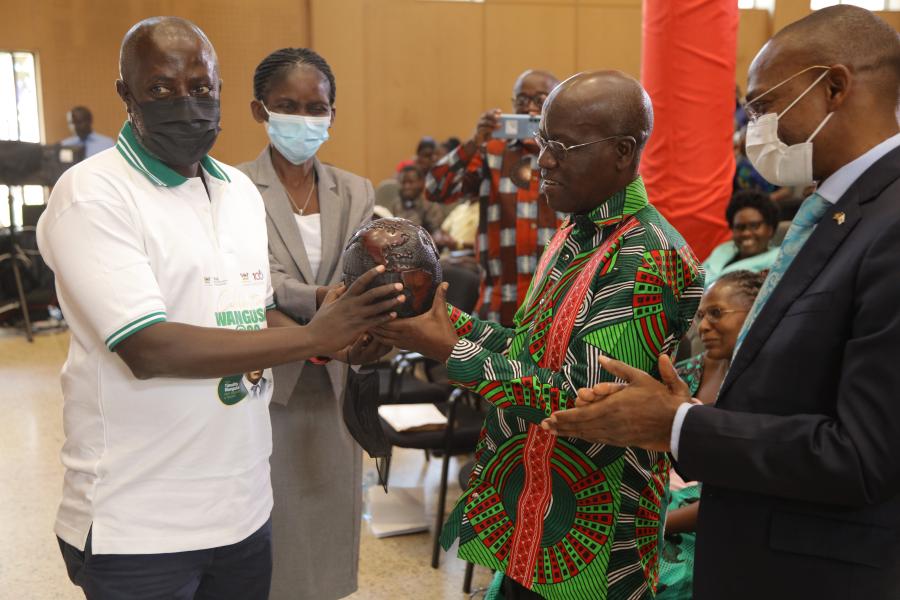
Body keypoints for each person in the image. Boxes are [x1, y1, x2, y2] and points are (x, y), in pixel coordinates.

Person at [543, 7, 900, 599]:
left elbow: (862, 454)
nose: (748, 130)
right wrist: (689, 409)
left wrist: (682, 426)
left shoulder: (890, 224)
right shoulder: (837, 209)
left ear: (834, 87)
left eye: (762, 106)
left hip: (818, 573)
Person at [37, 18, 400, 600]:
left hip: (242, 512)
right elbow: (148, 347)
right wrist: (314, 337)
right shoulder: (91, 194)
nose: (186, 103)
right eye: (161, 89)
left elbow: (253, 314)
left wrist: (342, 339)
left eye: (202, 88)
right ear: (125, 94)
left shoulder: (234, 191)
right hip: (140, 523)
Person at [373, 71, 704, 599]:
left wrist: (447, 349)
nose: (543, 160)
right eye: (543, 143)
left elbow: (580, 402)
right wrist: (435, 319)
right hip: (536, 513)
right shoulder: (576, 232)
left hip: (593, 548)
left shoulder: (645, 255)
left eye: (563, 147)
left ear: (623, 152)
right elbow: (529, 350)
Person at [236, 46, 381, 600]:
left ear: (332, 114)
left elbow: (361, 265)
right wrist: (325, 299)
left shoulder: (356, 189)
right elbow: (256, 276)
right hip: (273, 372)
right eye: (287, 105)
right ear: (260, 110)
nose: (304, 119)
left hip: (339, 377)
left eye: (316, 107)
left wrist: (347, 309)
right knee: (274, 514)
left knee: (331, 512)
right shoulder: (234, 187)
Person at [656, 270, 764, 599]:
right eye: (701, 316)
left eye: (717, 313)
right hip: (662, 498)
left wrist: (659, 525)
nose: (703, 327)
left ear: (757, 310)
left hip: (712, 515)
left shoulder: (765, 385)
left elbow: (741, 490)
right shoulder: (686, 372)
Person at [426, 69, 562, 327]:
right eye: (522, 101)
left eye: (540, 101)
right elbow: (436, 189)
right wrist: (475, 141)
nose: (531, 110)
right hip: (500, 308)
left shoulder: (568, 155)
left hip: (556, 309)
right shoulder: (492, 151)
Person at [702, 190, 779, 285]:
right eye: (740, 227)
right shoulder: (723, 250)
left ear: (770, 229)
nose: (746, 233)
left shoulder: (777, 262)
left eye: (754, 226)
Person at [385, 165, 446, 233]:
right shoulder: (395, 205)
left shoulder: (430, 206)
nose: (407, 186)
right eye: (403, 182)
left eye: (411, 182)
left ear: (421, 183)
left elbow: (436, 232)